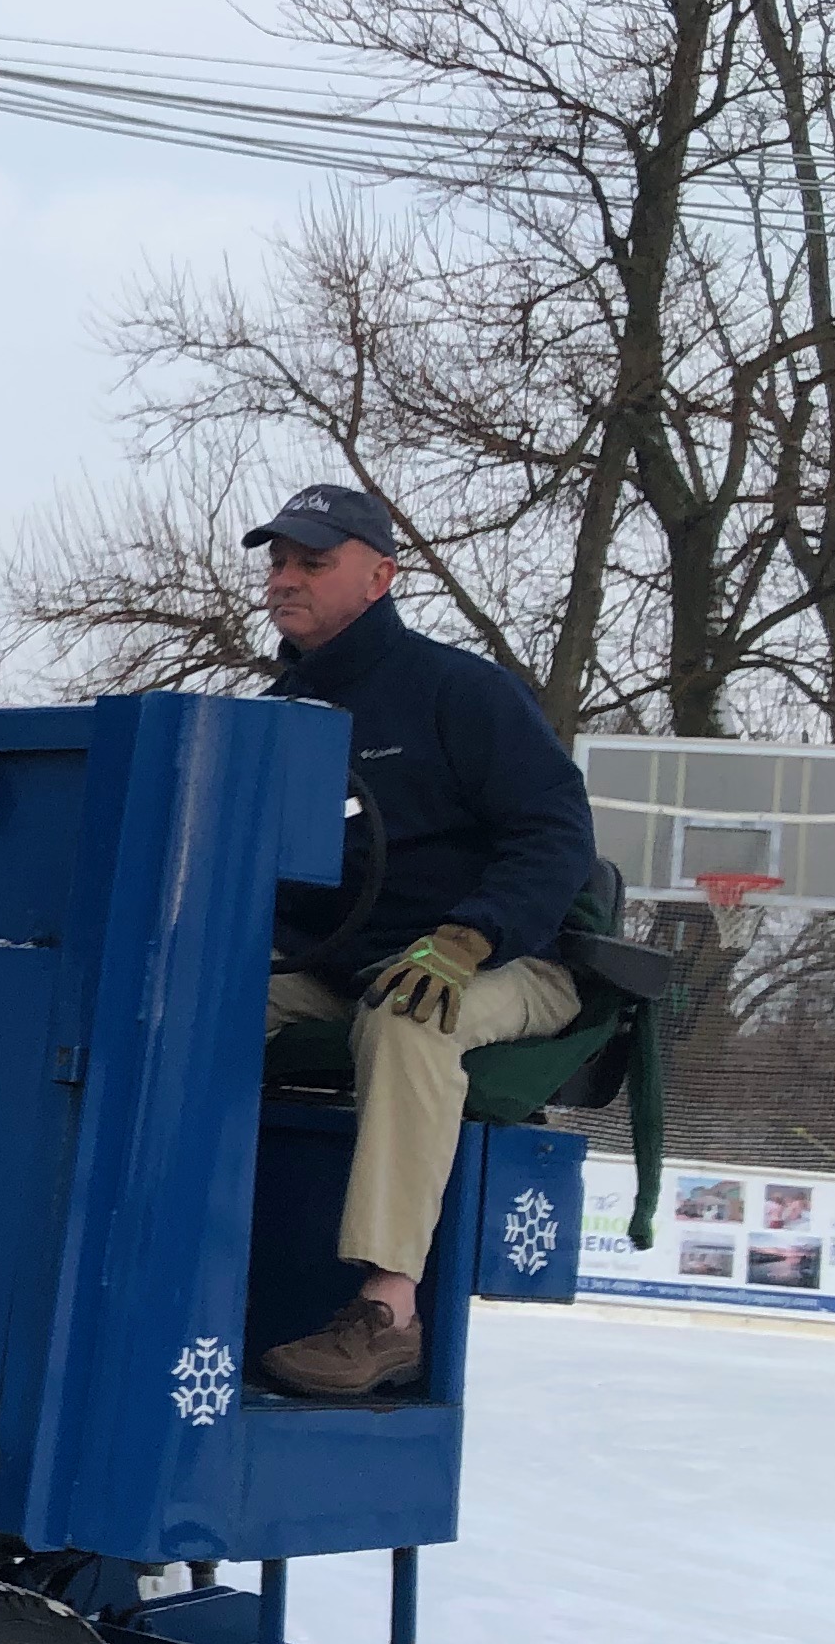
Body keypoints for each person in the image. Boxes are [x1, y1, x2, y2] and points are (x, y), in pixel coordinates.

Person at [251, 482, 598, 1398]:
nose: (285, 578)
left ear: (380, 578)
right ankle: (163, 1245)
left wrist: (471, 934)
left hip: (502, 961)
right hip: (337, 964)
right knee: (196, 1006)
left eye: (313, 561)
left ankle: (388, 1310)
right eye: (279, 561)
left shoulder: (458, 691)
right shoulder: (275, 715)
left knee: (409, 1012)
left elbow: (557, 833)